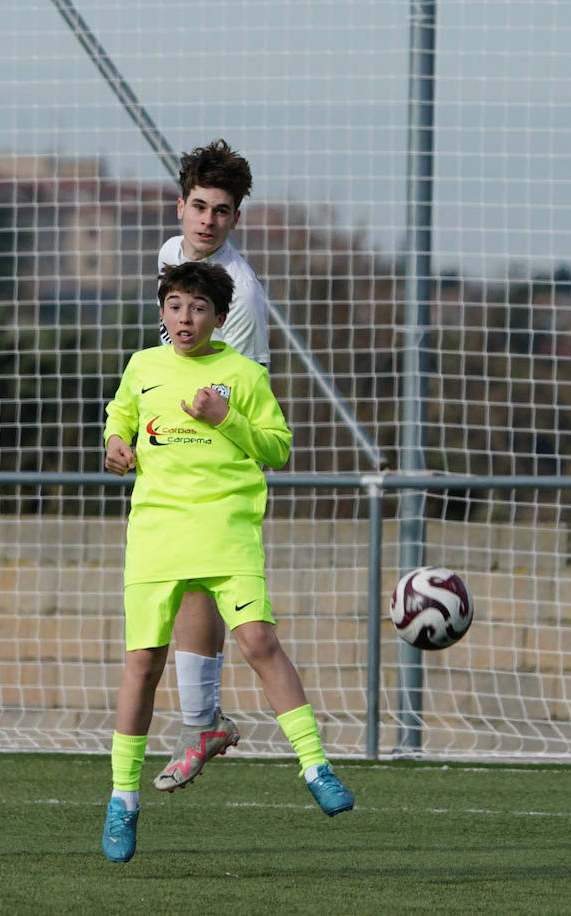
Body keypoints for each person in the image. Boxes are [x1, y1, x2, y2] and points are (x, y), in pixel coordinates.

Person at [100, 260, 352, 863]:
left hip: (227, 532)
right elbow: (120, 416)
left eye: (199, 308)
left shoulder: (242, 374)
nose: (186, 319)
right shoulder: (143, 365)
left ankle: (315, 766)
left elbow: (278, 448)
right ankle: (122, 800)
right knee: (142, 663)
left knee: (259, 642)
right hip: (157, 535)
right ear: (162, 310)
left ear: (219, 317)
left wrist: (226, 417)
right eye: (176, 305)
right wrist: (114, 444)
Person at [152, 139, 271, 793]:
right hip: (173, 444)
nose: (207, 221)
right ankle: (204, 722)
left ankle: (201, 723)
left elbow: (238, 393)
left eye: (221, 212)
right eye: (199, 207)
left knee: (199, 585)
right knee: (177, 587)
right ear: (181, 206)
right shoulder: (170, 258)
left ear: (234, 220)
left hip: (223, 449)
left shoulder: (241, 296)